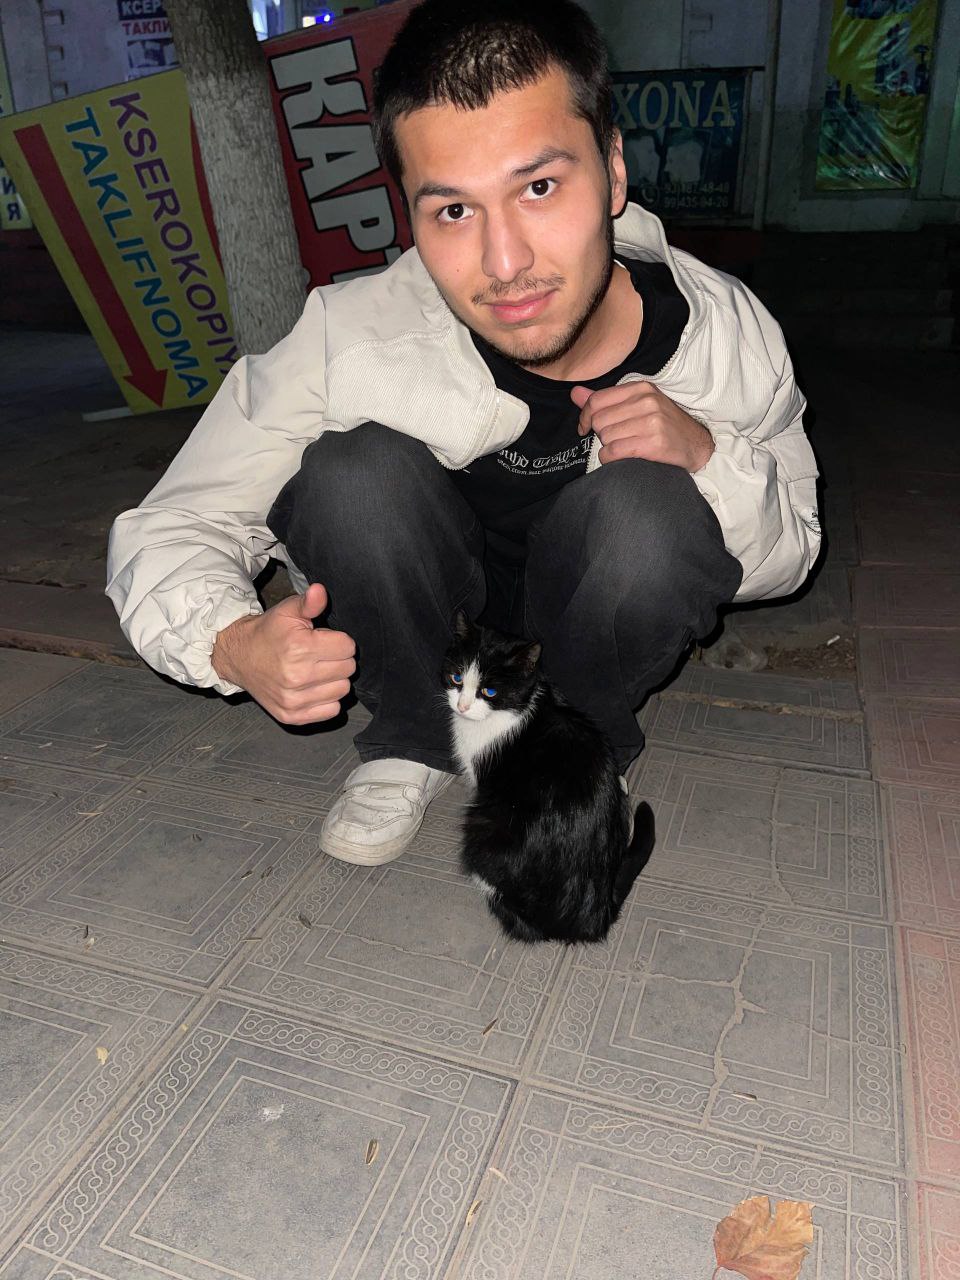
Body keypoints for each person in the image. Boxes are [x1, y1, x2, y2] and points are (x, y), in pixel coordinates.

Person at [106, 0, 821, 868]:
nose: (504, 262)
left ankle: (574, 746)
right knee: (353, 470)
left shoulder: (720, 333)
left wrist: (708, 458)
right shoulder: (352, 335)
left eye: (539, 187)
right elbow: (176, 521)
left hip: (593, 607)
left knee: (650, 512)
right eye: (452, 211)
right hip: (429, 611)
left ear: (613, 172)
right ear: (409, 213)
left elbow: (792, 553)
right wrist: (230, 641)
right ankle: (413, 738)